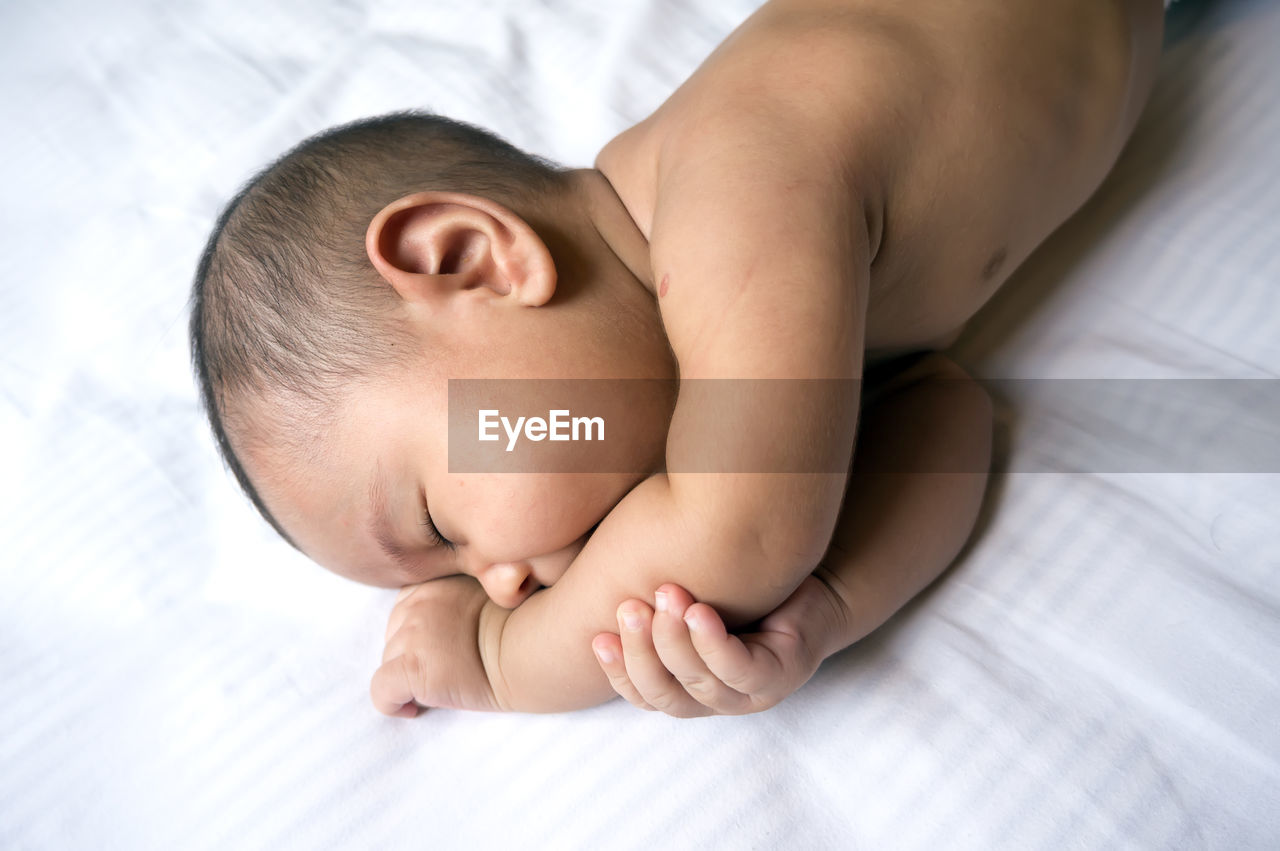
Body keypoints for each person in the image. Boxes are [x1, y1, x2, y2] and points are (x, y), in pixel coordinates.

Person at [190, 0, 1165, 715]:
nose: (501, 582)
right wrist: (824, 609)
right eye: (474, 585)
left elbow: (738, 530)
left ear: (471, 259)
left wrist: (500, 658)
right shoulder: (748, 356)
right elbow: (941, 413)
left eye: (443, 521)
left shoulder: (735, 187)